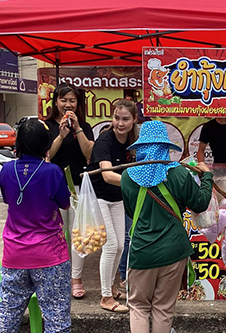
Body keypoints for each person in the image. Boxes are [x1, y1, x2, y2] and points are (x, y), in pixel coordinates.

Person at [121, 121, 213, 333]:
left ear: (141, 147)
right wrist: (206, 176)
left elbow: (130, 211)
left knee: (139, 307)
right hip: (174, 251)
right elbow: (200, 203)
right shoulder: (179, 173)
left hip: (142, 252)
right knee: (163, 308)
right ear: (165, 148)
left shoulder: (127, 177)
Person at [0, 119, 71, 333]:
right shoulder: (53, 172)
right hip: (50, 255)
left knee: (7, 312)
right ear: (46, 145)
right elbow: (64, 203)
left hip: (14, 253)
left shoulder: (6, 170)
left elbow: (10, 200)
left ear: (17, 144)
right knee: (56, 317)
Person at [86, 99, 138, 313]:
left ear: (134, 120)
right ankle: (105, 297)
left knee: (120, 246)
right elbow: (107, 175)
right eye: (117, 118)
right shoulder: (104, 140)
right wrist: (137, 183)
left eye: (125, 119)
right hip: (98, 196)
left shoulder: (132, 141)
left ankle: (113, 288)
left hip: (118, 197)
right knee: (110, 245)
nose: (120, 123)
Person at [45, 83, 94, 299]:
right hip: (54, 187)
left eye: (72, 100)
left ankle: (76, 279)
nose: (67, 104)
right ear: (56, 102)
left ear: (78, 104)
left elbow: (89, 154)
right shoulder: (46, 126)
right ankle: (59, 275)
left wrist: (77, 129)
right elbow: (47, 155)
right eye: (63, 100)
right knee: (57, 233)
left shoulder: (84, 125)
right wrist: (61, 136)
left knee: (78, 234)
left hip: (78, 186)